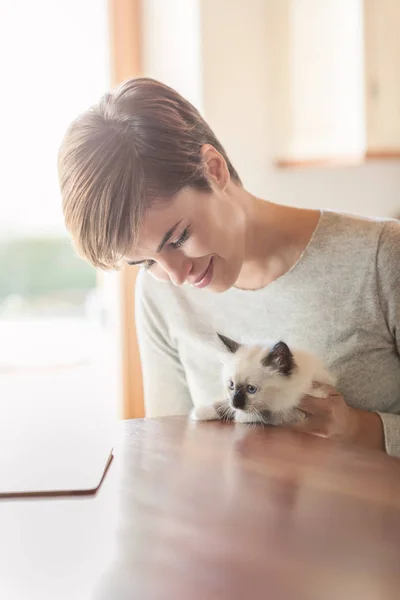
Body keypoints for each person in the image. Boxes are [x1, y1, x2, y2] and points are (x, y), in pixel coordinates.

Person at [58, 77, 400, 457]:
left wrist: (356, 428)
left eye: (178, 237)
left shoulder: (381, 257)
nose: (176, 275)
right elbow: (169, 456)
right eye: (145, 261)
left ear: (214, 170)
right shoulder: (158, 293)